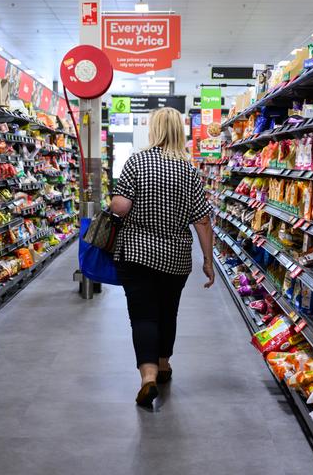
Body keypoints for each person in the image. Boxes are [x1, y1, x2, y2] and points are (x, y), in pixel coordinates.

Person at [110, 107, 214, 409]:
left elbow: (121, 207)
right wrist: (208, 260)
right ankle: (164, 364)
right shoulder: (188, 170)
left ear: (153, 130)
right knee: (168, 312)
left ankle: (148, 378)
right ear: (179, 132)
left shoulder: (137, 161)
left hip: (137, 253)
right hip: (176, 257)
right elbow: (202, 220)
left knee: (143, 316)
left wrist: (115, 202)